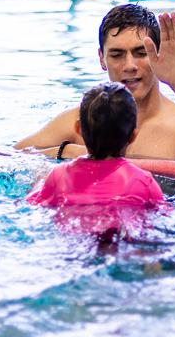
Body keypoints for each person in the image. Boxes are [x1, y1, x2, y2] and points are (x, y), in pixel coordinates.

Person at [14, 4, 175, 166]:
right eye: (117, 54)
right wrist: (66, 151)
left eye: (141, 53)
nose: (129, 66)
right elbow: (9, 157)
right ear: (102, 58)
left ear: (157, 55)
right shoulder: (82, 120)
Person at [27, 82, 165, 237]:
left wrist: (38, 181)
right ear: (133, 135)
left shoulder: (58, 176)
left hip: (73, 240)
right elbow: (164, 214)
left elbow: (32, 204)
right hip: (122, 239)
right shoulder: (142, 181)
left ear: (78, 129)